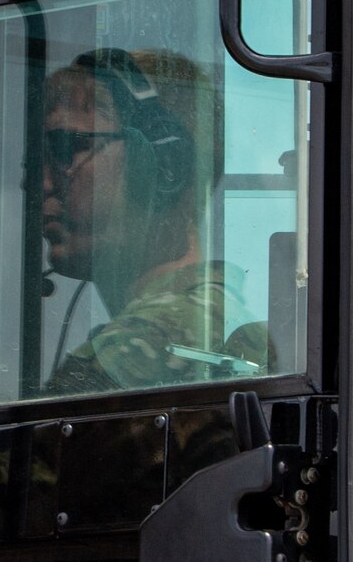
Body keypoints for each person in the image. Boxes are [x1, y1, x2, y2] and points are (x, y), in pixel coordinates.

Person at [39, 46, 266, 395]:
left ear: (163, 167)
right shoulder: (222, 322)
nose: (44, 183)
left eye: (66, 148)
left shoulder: (147, 341)